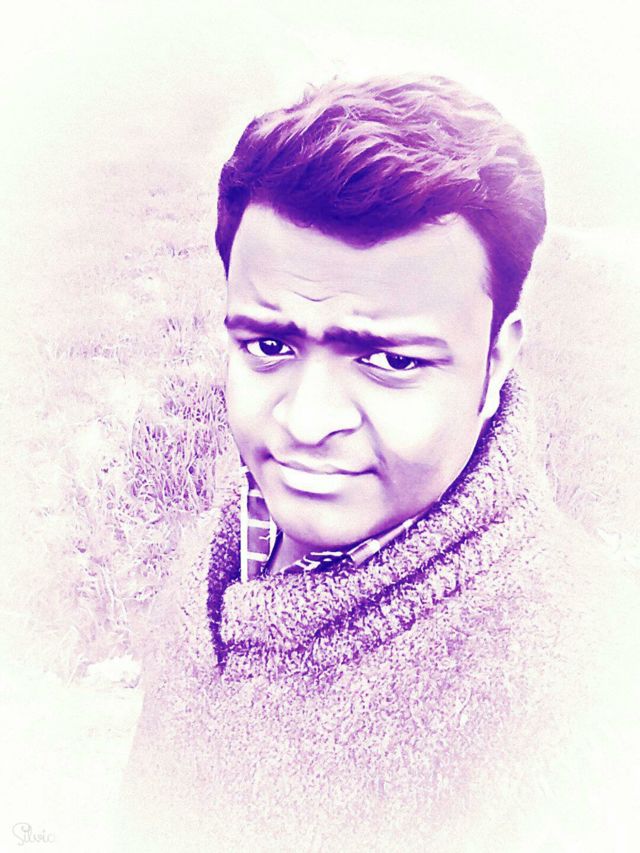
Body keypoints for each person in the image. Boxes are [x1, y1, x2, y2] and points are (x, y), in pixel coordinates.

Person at [118, 76, 639, 852]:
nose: (306, 422)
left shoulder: (591, 711)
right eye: (269, 344)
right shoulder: (228, 546)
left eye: (390, 360)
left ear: (496, 360)